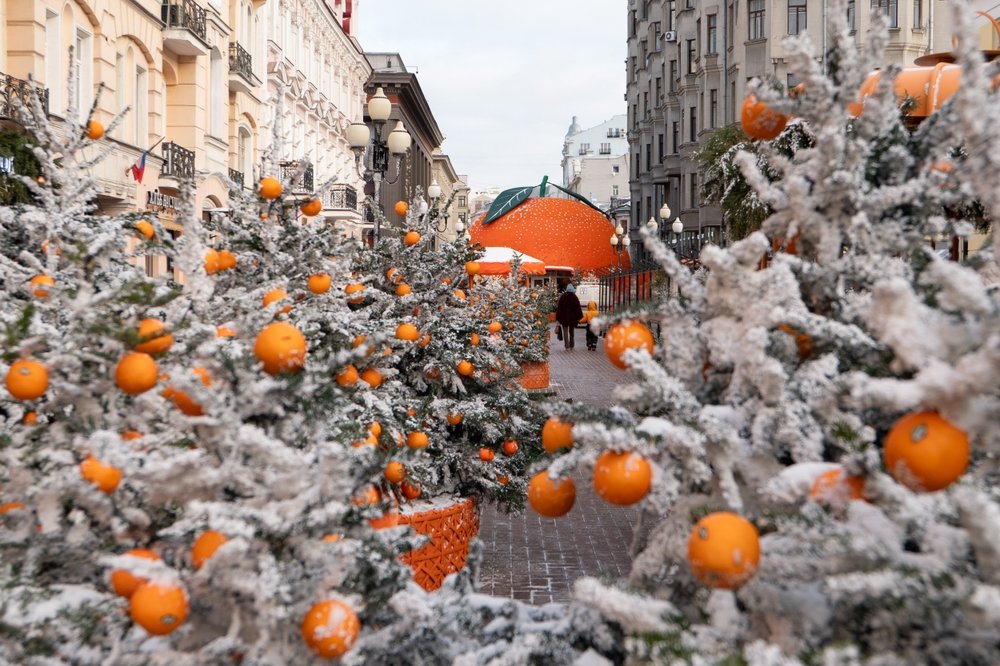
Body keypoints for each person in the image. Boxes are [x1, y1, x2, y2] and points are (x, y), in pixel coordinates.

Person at [555, 284, 583, 350]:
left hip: (564, 318)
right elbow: (578, 308)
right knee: (571, 332)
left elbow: (559, 308)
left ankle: (567, 346)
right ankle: (572, 345)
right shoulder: (575, 297)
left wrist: (558, 317)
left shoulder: (563, 297)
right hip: (572, 318)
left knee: (565, 332)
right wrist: (579, 317)